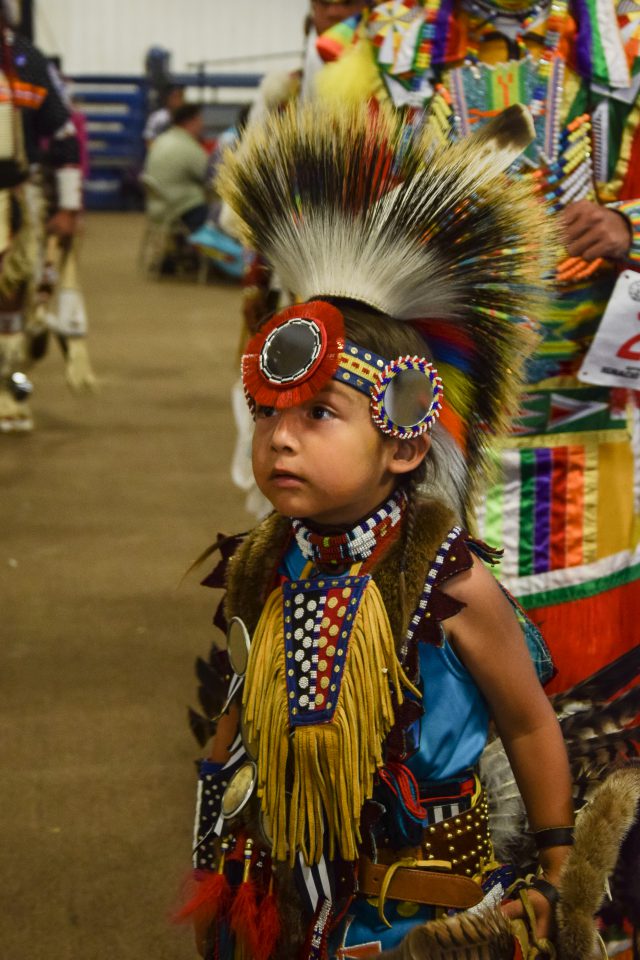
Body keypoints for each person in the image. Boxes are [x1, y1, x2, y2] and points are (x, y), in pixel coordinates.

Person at [174, 101, 607, 960]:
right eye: (266, 416)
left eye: (318, 415)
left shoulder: (449, 583)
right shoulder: (267, 558)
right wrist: (214, 855)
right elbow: (237, 698)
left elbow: (526, 723)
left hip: (419, 917)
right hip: (287, 903)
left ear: (406, 440)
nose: (279, 438)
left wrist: (560, 874)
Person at [313, 0, 640, 694]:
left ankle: (586, 778)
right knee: (431, 599)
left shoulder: (623, 41)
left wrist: (624, 224)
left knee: (585, 623)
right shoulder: (393, 48)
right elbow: (340, 212)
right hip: (431, 401)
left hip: (581, 402)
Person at [0, 0, 90, 431]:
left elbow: (64, 133)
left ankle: (8, 389)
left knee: (15, 297)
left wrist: (69, 207)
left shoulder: (26, 61)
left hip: (16, 199)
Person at [143, 103, 209, 233]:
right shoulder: (188, 146)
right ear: (191, 122)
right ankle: (210, 251)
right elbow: (210, 176)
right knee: (218, 214)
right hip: (178, 209)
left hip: (157, 205)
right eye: (200, 120)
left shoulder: (161, 140)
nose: (202, 125)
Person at [143, 83, 184, 147]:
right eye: (174, 97)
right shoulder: (157, 117)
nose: (177, 101)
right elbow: (149, 139)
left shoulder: (187, 118)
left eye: (180, 97)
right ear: (168, 98)